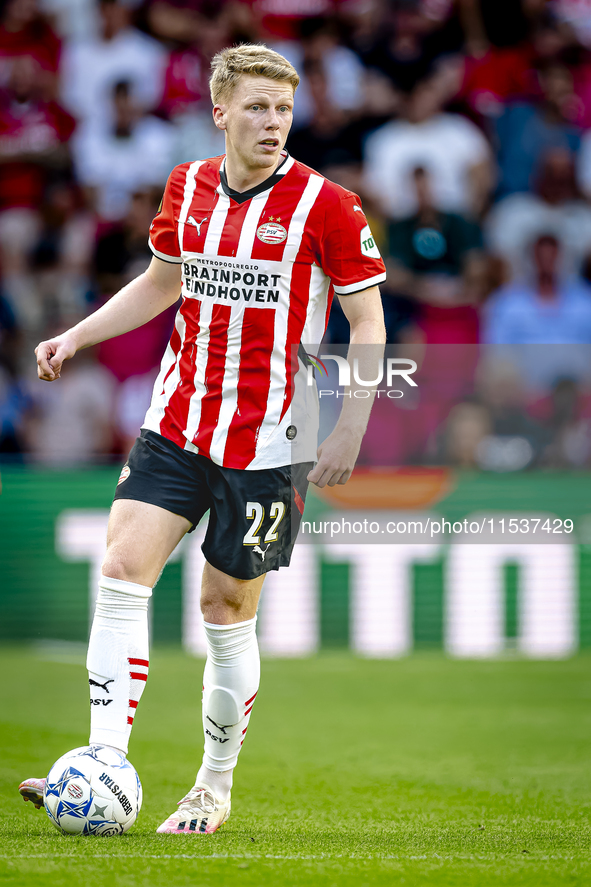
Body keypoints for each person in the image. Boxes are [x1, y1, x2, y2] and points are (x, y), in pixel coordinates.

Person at [18, 44, 386, 834]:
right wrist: (75, 336)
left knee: (224, 610)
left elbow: (365, 323)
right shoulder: (186, 187)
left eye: (283, 109)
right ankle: (103, 763)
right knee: (120, 568)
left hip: (268, 444)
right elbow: (162, 281)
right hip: (176, 420)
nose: (272, 122)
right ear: (219, 110)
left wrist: (349, 424)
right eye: (256, 106)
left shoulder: (329, 207)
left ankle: (212, 787)